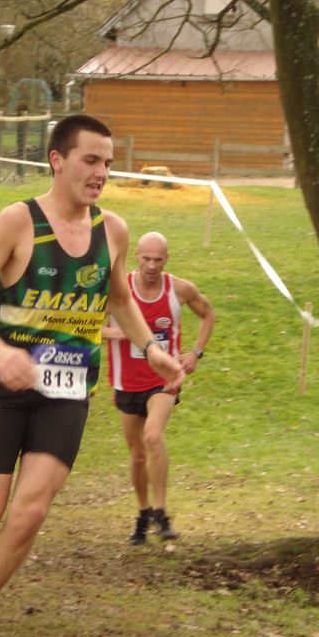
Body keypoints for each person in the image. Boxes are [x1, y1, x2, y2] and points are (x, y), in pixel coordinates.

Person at [0, 115, 185, 637]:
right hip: (6, 386)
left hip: (68, 391)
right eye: (91, 160)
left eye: (108, 162)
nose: (102, 172)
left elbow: (117, 300)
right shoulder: (17, 222)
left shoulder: (114, 231)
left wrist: (150, 348)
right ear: (58, 161)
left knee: (31, 512)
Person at [103, 231, 214, 545]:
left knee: (153, 435)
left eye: (158, 259)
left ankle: (162, 514)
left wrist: (195, 352)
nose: (151, 265)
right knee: (137, 455)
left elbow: (208, 313)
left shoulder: (179, 289)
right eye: (146, 258)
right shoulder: (118, 290)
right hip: (127, 380)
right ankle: (142, 514)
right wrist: (119, 334)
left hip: (164, 381)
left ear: (166, 259)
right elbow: (84, 324)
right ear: (136, 256)